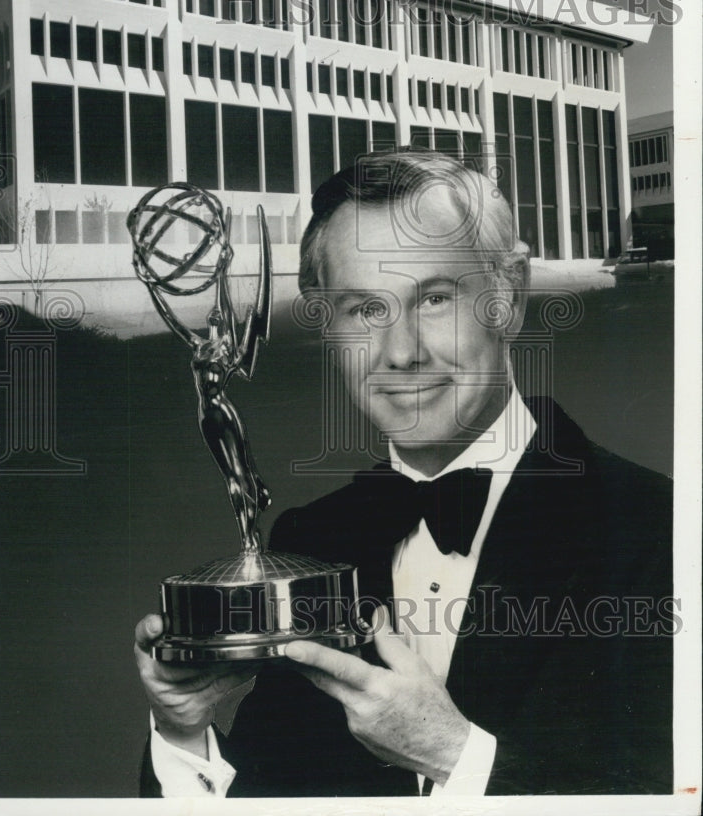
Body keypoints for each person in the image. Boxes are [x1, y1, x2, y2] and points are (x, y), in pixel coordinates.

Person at [135, 152, 673, 797]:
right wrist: (183, 729)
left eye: (436, 298)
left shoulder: (663, 532)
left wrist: (459, 759)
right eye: (365, 309)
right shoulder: (312, 540)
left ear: (509, 296)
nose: (401, 353)